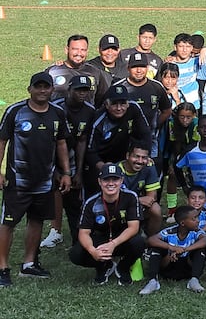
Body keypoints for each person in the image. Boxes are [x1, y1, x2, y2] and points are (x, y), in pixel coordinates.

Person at [0, 72, 72, 286]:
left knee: (36, 220)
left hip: (45, 181)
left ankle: (29, 264)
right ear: (29, 89)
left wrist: (66, 172)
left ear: (52, 90)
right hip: (18, 181)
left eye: (46, 87)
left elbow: (61, 143)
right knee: (8, 223)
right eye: (38, 86)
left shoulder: (57, 113)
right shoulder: (15, 111)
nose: (42, 90)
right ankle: (2, 268)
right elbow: (2, 141)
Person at [70, 163, 146, 285]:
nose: (111, 183)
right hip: (101, 239)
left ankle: (123, 267)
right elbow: (83, 232)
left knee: (139, 242)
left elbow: (133, 227)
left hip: (122, 239)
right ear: (99, 181)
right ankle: (104, 266)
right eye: (106, 180)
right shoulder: (91, 202)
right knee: (76, 253)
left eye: (115, 179)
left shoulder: (131, 197)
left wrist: (113, 244)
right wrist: (92, 251)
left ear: (121, 180)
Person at [138, 205, 206, 295]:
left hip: (187, 267)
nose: (198, 221)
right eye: (194, 219)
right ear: (182, 223)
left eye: (197, 217)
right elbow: (151, 240)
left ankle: (194, 280)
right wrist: (172, 248)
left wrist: (185, 249)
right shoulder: (169, 232)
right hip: (169, 265)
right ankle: (153, 281)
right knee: (156, 249)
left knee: (200, 250)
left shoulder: (196, 232)